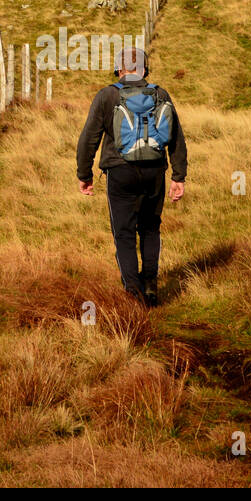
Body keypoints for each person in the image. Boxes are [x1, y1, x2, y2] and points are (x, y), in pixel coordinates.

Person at [76, 46, 186, 306]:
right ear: (144, 70)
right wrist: (178, 176)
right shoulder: (160, 94)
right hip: (155, 172)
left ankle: (132, 292)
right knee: (150, 228)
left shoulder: (106, 96)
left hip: (119, 172)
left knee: (124, 233)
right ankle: (150, 286)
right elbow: (177, 138)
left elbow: (88, 139)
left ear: (119, 70)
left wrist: (85, 174)